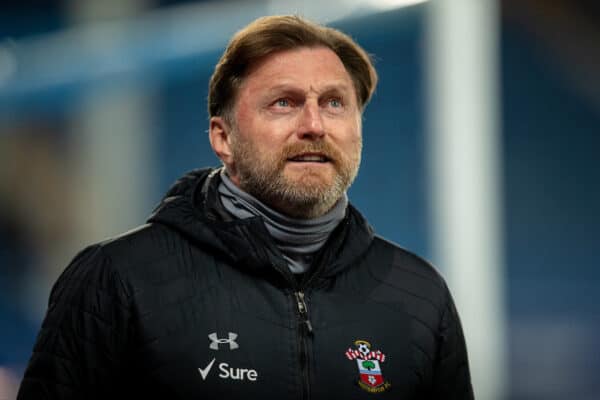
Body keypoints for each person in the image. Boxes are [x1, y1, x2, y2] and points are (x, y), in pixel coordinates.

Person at [18, 15, 474, 399]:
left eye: (335, 103)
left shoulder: (420, 296)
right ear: (223, 138)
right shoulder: (117, 279)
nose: (314, 125)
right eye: (284, 103)